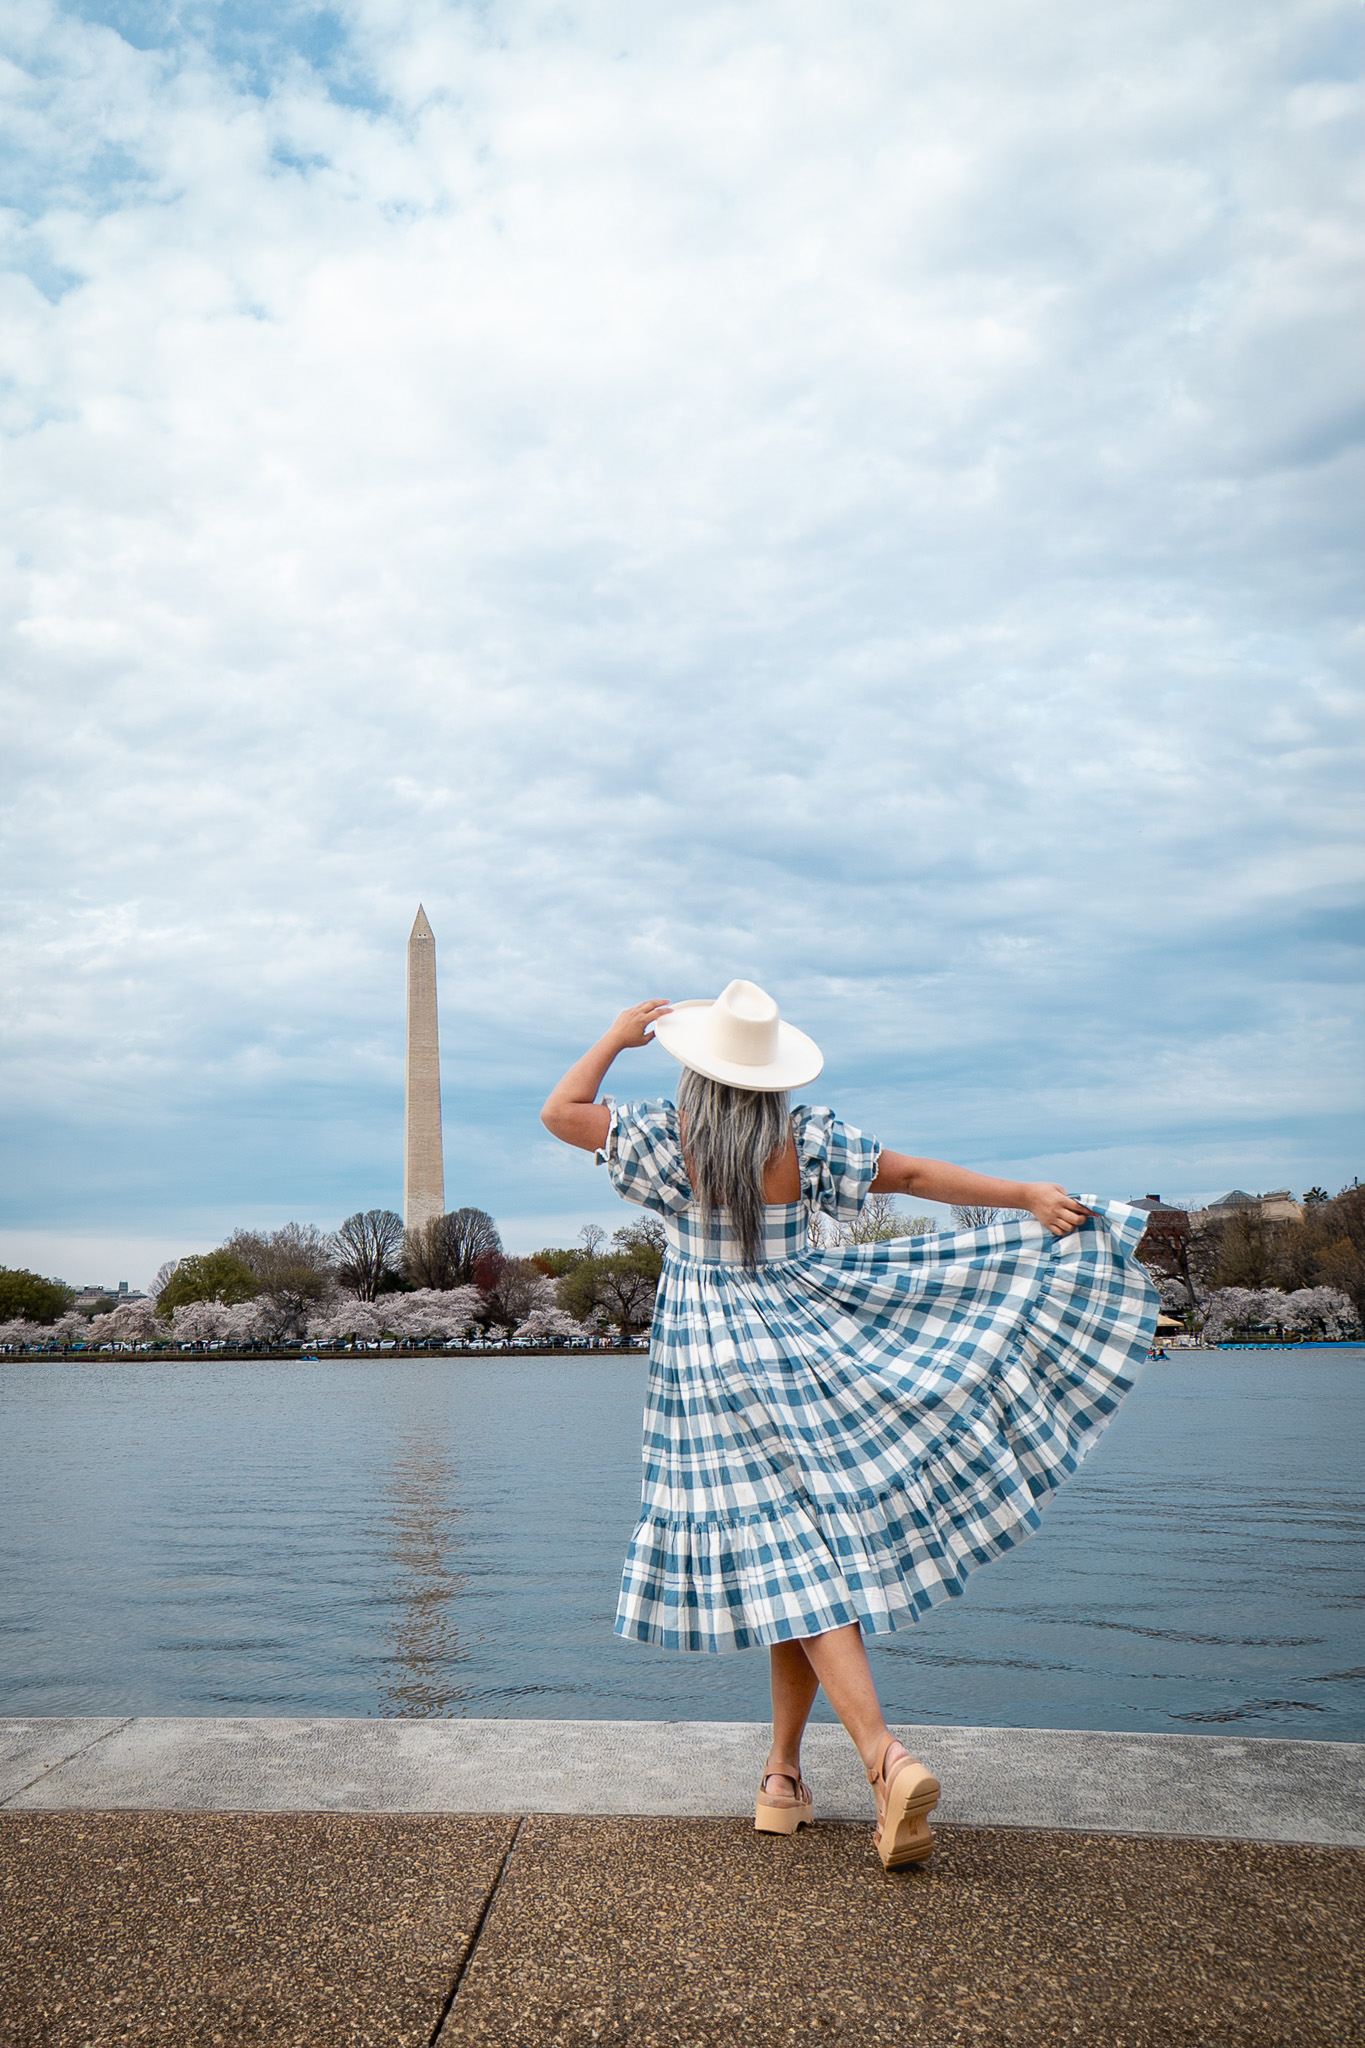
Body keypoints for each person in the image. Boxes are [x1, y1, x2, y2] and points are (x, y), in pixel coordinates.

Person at [542, 980, 1157, 1869]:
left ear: (699, 1073)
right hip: (803, 1339)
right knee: (800, 1561)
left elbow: (561, 1112)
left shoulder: (661, 1141)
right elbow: (908, 1176)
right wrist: (1021, 1194)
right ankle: (782, 1776)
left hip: (708, 1365)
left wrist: (611, 1037)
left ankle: (880, 1759)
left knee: (793, 1563)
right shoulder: (805, 1139)